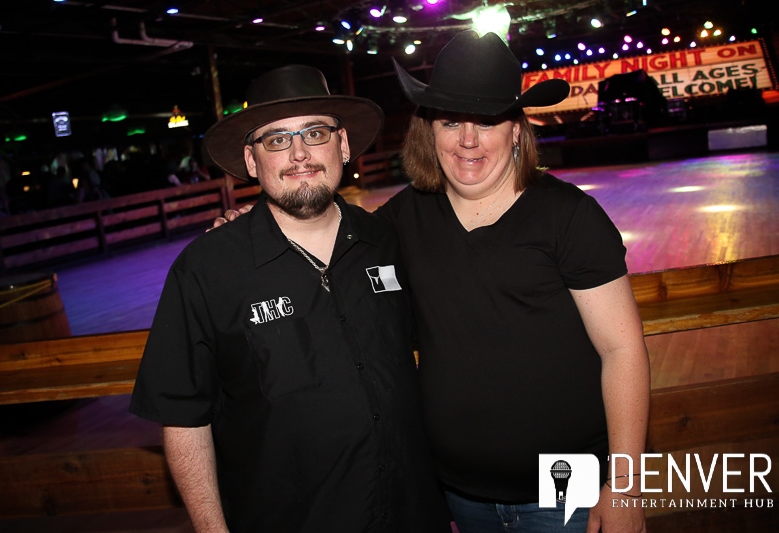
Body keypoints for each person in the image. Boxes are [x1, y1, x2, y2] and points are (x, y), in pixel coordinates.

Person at [216, 31, 650, 533]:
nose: (468, 140)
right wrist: (257, 222)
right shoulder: (401, 221)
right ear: (430, 131)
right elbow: (323, 232)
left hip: (566, 486)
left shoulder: (569, 216)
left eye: (486, 122)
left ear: (516, 131)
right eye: (450, 122)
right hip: (457, 493)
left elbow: (622, 350)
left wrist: (624, 485)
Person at [130, 64, 452, 533]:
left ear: (343, 145)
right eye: (277, 140)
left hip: (411, 514)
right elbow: (183, 420)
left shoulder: (388, 240)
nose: (299, 154)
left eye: (315, 133)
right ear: (251, 160)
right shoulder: (207, 268)